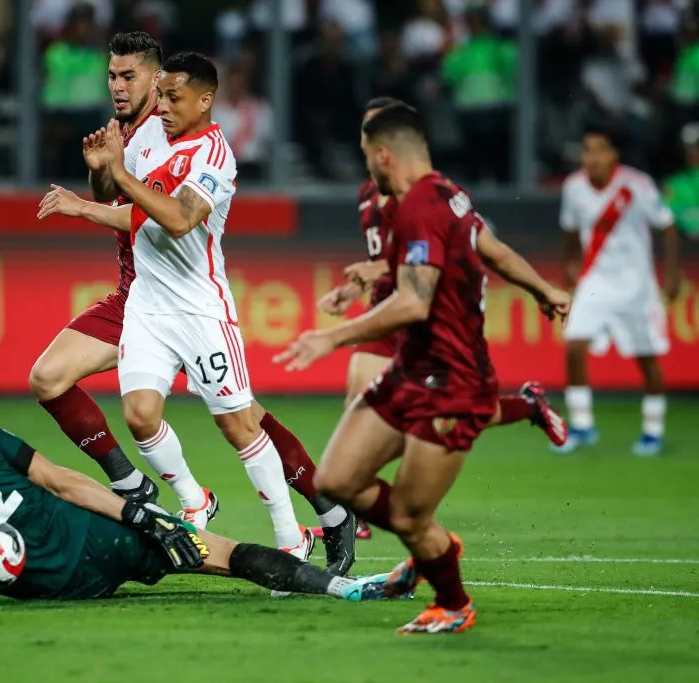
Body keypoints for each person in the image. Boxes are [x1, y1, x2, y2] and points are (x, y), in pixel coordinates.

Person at [32, 35, 359, 575]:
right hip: (137, 296)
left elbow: (163, 214)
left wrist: (96, 196)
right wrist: (99, 174)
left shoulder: (190, 140)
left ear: (159, 79)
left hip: (189, 296)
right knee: (54, 379)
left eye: (130, 77)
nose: (119, 87)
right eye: (112, 77)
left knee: (243, 418)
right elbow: (114, 196)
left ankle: (324, 510)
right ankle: (139, 485)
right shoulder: (132, 140)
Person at [273, 103, 571, 634]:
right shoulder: (445, 198)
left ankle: (451, 600)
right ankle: (433, 547)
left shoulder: (420, 205)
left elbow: (413, 301)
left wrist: (331, 338)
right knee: (336, 479)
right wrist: (542, 288)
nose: (367, 167)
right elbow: (484, 255)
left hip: (453, 382)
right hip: (411, 370)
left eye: (367, 157)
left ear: (384, 155)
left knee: (411, 516)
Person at [0, 395, 398, 604]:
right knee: (224, 553)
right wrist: (143, 512)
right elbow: (61, 480)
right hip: (104, 537)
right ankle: (351, 590)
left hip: (55, 587)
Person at [321, 98, 568, 446]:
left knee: (442, 414)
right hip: (387, 313)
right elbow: (387, 256)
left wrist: (544, 289)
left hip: (430, 317)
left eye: (377, 128)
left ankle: (526, 407)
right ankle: (357, 491)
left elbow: (490, 250)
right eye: (366, 129)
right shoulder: (369, 193)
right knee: (358, 411)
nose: (369, 137)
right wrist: (354, 287)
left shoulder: (432, 197)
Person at [557, 125, 681, 456]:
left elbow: (667, 228)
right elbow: (570, 231)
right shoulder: (573, 188)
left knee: (647, 359)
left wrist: (672, 276)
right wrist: (568, 266)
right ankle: (582, 426)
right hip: (595, 282)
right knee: (574, 346)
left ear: (614, 154)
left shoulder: (636, 185)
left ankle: (652, 431)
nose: (592, 157)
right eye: (586, 150)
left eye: (600, 149)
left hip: (636, 286)